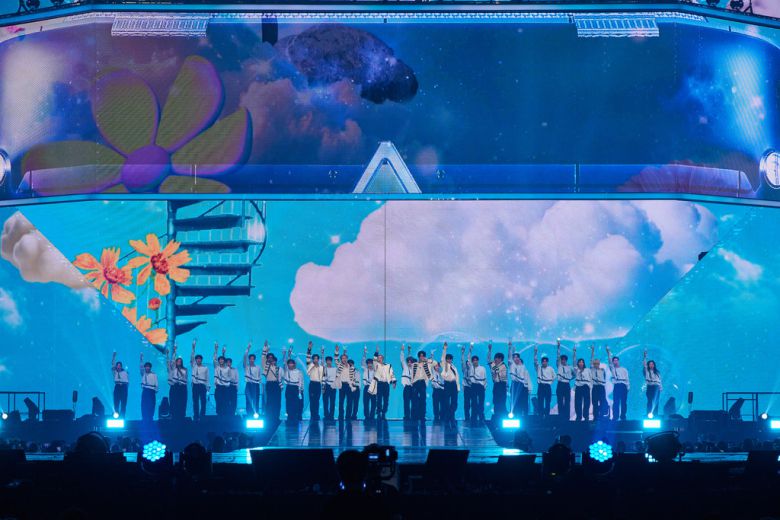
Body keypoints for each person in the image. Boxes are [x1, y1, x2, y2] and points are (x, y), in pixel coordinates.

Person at [409, 347, 438, 421]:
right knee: (414, 400)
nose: (421, 357)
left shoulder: (427, 364)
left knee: (423, 400)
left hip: (422, 382)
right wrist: (412, 382)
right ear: (418, 357)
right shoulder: (414, 364)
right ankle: (414, 416)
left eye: (423, 356)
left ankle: (422, 416)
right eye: (420, 356)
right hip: (415, 383)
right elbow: (412, 374)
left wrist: (427, 359)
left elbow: (435, 363)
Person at [606, 345, 629, 421]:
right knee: (616, 402)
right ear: (613, 362)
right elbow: (609, 361)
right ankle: (615, 416)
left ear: (618, 361)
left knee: (623, 402)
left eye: (616, 360)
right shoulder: (612, 369)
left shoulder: (624, 369)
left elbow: (627, 379)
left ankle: (623, 416)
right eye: (614, 360)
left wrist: (628, 387)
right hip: (617, 385)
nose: (615, 361)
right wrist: (608, 352)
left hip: (624, 385)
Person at [281, 346, 304, 421]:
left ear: (294, 364)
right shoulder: (287, 370)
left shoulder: (298, 371)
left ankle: (296, 416)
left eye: (292, 363)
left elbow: (300, 382)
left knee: (296, 403)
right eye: (289, 364)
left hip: (296, 388)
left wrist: (300, 392)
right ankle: (289, 416)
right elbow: (285, 362)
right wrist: (286, 354)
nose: (290, 365)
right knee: (289, 402)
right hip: (289, 387)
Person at [372, 349, 396, 420]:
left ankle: (384, 413)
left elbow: (391, 374)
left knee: (386, 399)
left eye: (380, 358)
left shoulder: (388, 366)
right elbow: (374, 361)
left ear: (382, 359)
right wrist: (376, 352)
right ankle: (379, 413)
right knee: (379, 399)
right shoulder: (376, 365)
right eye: (378, 358)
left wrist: (394, 382)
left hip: (386, 384)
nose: (379, 359)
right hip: (379, 384)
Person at [508, 342, 531, 417]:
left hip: (522, 386)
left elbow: (528, 380)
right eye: (514, 357)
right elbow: (509, 358)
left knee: (523, 403)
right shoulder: (512, 365)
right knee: (515, 403)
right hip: (515, 384)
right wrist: (510, 347)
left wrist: (529, 389)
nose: (516, 359)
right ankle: (515, 416)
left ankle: (524, 416)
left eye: (517, 358)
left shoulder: (524, 368)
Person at [440, 343, 460, 424]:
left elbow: (457, 378)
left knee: (454, 402)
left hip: (454, 385)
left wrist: (458, 388)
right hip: (447, 384)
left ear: (452, 359)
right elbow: (442, 358)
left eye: (450, 359)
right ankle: (450, 418)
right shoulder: (444, 365)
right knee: (446, 402)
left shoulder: (454, 367)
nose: (449, 360)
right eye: (447, 359)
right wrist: (444, 349)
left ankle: (450, 416)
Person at [261, 341, 281, 421]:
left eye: (271, 357)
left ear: (273, 359)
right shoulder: (265, 366)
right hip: (269, 384)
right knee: (269, 401)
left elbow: (281, 377)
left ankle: (276, 417)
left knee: (277, 401)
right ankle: (269, 417)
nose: (270, 358)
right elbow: (263, 357)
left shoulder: (277, 368)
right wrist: (265, 348)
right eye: (268, 357)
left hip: (276, 385)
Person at [488, 342, 508, 420]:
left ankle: (503, 415)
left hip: (501, 385)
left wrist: (492, 364)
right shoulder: (495, 365)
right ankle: (497, 414)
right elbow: (489, 360)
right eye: (495, 357)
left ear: (500, 359)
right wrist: (489, 350)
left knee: (501, 401)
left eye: (496, 358)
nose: (495, 359)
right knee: (495, 401)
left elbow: (495, 370)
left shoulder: (503, 365)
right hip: (496, 385)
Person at [533, 345, 555, 417]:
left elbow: (554, 376)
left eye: (545, 361)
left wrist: (550, 383)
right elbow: (535, 362)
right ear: (542, 362)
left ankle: (547, 415)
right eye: (543, 361)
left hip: (547, 387)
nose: (544, 362)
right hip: (541, 386)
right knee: (540, 401)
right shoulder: (539, 368)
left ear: (547, 362)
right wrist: (535, 352)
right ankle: (541, 415)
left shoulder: (550, 368)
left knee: (548, 401)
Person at [167, 344, 188, 419]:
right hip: (175, 387)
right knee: (173, 401)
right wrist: (174, 351)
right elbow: (171, 361)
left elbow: (185, 378)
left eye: (180, 361)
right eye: (177, 361)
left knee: (182, 402)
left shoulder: (185, 369)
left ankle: (181, 415)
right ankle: (173, 415)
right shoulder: (173, 369)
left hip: (182, 387)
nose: (179, 362)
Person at [556, 340, 574, 421]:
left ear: (566, 360)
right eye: (562, 359)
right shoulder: (559, 365)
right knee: (560, 401)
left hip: (566, 384)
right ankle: (560, 417)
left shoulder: (570, 367)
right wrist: (558, 347)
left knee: (567, 401)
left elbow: (575, 374)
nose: (563, 360)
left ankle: (567, 417)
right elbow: (558, 356)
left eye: (564, 359)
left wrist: (570, 378)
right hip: (560, 384)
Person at [190, 340, 209, 421]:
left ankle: (202, 416)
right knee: (195, 402)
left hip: (202, 386)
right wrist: (193, 347)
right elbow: (192, 356)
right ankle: (196, 416)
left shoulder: (205, 368)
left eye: (199, 359)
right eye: (197, 359)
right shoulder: (194, 366)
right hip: (195, 386)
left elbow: (207, 378)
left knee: (203, 401)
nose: (198, 360)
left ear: (201, 360)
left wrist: (208, 387)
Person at [306, 342, 324, 421]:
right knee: (312, 401)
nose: (316, 360)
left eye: (317, 358)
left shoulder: (321, 367)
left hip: (318, 385)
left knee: (317, 401)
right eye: (314, 358)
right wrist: (309, 348)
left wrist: (322, 352)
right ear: (313, 359)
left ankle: (316, 414)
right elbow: (308, 357)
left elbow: (322, 377)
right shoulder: (310, 365)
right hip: (312, 384)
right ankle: (312, 415)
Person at [572, 347, 592, 422]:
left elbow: (591, 361)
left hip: (586, 386)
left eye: (582, 362)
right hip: (578, 387)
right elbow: (574, 361)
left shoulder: (587, 370)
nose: (581, 363)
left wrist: (592, 352)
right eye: (579, 362)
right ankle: (578, 416)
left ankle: (586, 416)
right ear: (578, 363)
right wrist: (574, 352)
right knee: (577, 402)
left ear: (584, 363)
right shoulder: (576, 369)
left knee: (587, 402)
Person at [469, 348, 487, 423]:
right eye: (473, 360)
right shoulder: (471, 368)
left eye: (476, 360)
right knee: (473, 402)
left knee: (481, 402)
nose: (475, 361)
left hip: (481, 386)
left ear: (478, 361)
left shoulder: (482, 368)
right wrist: (470, 349)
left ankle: (481, 417)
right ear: (472, 361)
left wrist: (484, 386)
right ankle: (473, 418)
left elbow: (485, 378)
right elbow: (471, 378)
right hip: (474, 386)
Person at [244, 342, 261, 417]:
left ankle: (256, 413)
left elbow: (259, 376)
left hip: (256, 385)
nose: (251, 360)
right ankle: (249, 414)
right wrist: (248, 348)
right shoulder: (246, 366)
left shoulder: (258, 367)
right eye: (250, 359)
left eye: (252, 359)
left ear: (254, 360)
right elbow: (244, 357)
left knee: (256, 399)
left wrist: (258, 383)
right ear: (249, 359)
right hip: (248, 384)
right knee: (248, 400)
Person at [213, 343, 231, 417]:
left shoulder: (227, 368)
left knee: (226, 401)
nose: (221, 361)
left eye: (222, 359)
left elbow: (229, 377)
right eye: (219, 360)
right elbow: (214, 359)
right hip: (219, 387)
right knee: (218, 401)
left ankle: (225, 415)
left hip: (225, 388)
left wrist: (224, 353)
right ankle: (219, 414)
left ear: (224, 361)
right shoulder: (217, 367)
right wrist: (216, 349)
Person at [335, 345, 352, 420]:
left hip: (349, 386)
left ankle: (348, 416)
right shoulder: (340, 365)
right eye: (342, 358)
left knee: (349, 402)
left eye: (345, 358)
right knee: (341, 402)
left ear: (347, 359)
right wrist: (337, 351)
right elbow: (336, 359)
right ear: (341, 359)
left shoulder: (350, 366)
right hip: (342, 385)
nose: (344, 359)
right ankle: (341, 416)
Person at [590, 346, 607, 421]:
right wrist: (592, 351)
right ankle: (595, 416)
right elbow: (591, 359)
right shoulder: (591, 369)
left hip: (601, 387)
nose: (596, 364)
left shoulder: (602, 370)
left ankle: (602, 415)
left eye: (597, 363)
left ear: (599, 364)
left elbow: (604, 378)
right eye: (595, 363)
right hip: (595, 387)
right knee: (595, 402)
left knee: (602, 401)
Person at [139, 353, 158, 422]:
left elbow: (156, 383)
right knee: (144, 405)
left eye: (148, 366)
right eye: (146, 366)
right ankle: (144, 418)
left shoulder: (154, 374)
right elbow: (141, 367)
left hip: (152, 391)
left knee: (152, 405)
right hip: (145, 390)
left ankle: (150, 418)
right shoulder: (143, 373)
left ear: (150, 367)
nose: (147, 368)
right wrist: (141, 359)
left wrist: (155, 390)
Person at [643, 349, 662, 417]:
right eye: (650, 364)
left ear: (654, 365)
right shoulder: (647, 371)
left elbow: (659, 380)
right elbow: (644, 364)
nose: (651, 365)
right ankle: (648, 413)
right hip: (650, 387)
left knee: (656, 401)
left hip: (656, 387)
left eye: (652, 364)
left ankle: (655, 414)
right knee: (649, 401)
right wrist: (645, 356)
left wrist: (660, 387)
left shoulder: (657, 372)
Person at [111, 351, 128, 418]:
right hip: (117, 387)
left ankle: (122, 416)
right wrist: (114, 356)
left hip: (124, 387)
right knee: (116, 402)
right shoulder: (115, 372)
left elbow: (127, 381)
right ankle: (116, 416)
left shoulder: (125, 372)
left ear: (121, 366)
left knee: (123, 403)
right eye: (117, 366)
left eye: (119, 366)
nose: (118, 367)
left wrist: (125, 388)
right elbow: (112, 364)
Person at [361, 347, 377, 420]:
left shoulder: (375, 370)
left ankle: (372, 416)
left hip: (373, 387)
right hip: (367, 387)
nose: (369, 364)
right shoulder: (365, 369)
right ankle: (367, 416)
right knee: (366, 402)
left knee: (373, 403)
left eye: (371, 363)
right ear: (367, 364)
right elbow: (363, 362)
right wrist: (364, 353)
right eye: (368, 363)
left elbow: (375, 361)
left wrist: (376, 352)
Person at [399, 345, 414, 420]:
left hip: (413, 388)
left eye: (411, 362)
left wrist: (409, 351)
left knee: (414, 402)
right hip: (407, 388)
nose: (409, 363)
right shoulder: (405, 367)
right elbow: (402, 359)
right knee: (406, 402)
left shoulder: (414, 368)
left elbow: (410, 358)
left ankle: (413, 415)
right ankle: (407, 416)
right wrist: (402, 351)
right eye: (408, 362)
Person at [323, 351, 338, 420]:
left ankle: (331, 415)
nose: (328, 362)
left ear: (331, 361)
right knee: (325, 401)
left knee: (332, 401)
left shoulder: (335, 369)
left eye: (330, 361)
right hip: (326, 385)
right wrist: (323, 387)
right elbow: (323, 378)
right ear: (326, 361)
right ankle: (326, 415)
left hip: (333, 385)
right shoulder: (324, 369)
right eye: (327, 361)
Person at [461, 344, 473, 421]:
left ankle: (473, 417)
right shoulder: (464, 370)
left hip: (473, 387)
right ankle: (467, 417)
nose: (468, 363)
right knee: (466, 403)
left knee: (473, 403)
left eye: (469, 362)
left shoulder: (472, 369)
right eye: (467, 363)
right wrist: (462, 353)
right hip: (466, 388)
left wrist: (470, 350)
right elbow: (462, 361)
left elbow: (469, 357)